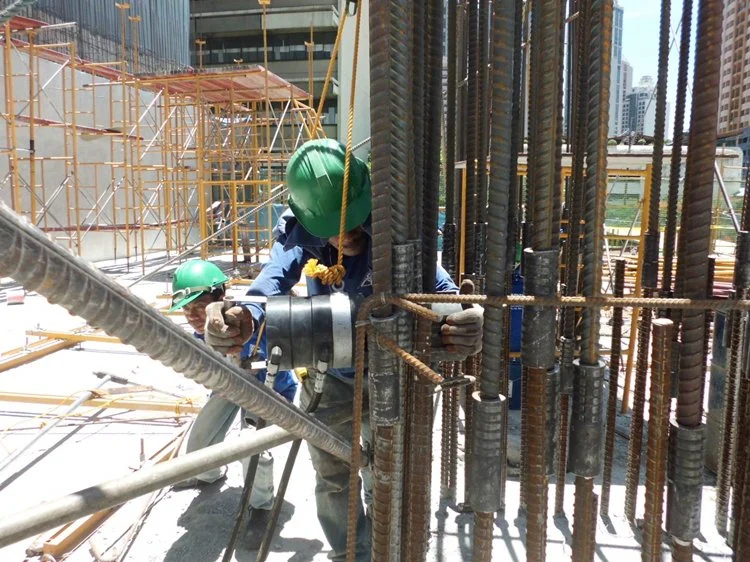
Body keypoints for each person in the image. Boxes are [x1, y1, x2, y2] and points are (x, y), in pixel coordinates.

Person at [201, 138, 483, 561]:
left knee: (387, 474)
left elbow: (439, 292)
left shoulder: (395, 230)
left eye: (354, 220)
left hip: (394, 376)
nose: (348, 234)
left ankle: (388, 546)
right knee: (333, 477)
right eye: (334, 224)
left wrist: (464, 318)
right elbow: (267, 286)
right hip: (331, 378)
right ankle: (354, 553)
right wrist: (241, 317)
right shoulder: (300, 232)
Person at [168, 259, 298, 539]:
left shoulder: (252, 323)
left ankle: (261, 507)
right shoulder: (204, 333)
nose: (192, 316)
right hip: (229, 388)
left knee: (252, 446)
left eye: (199, 307)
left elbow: (283, 361)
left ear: (221, 299)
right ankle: (208, 473)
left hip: (267, 391)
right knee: (200, 440)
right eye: (186, 310)